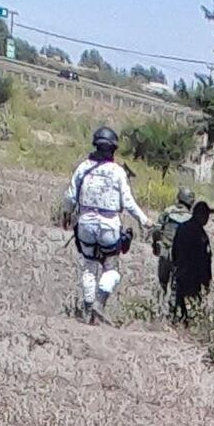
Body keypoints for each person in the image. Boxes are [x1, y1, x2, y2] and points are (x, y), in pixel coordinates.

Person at [63, 126, 151, 324]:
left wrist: (66, 215)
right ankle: (99, 304)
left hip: (85, 222)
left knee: (89, 266)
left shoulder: (83, 167)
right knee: (111, 267)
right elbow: (128, 203)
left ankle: (87, 313)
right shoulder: (118, 172)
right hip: (109, 224)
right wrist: (144, 221)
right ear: (113, 149)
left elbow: (69, 196)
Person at [151, 187, 195, 311]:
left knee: (162, 283)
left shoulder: (168, 212)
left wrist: (155, 245)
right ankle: (172, 313)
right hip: (181, 256)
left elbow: (156, 230)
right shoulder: (191, 217)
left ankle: (158, 309)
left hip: (165, 252)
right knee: (176, 286)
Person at [171, 201, 214, 324]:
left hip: (182, 272)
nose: (207, 218)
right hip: (194, 276)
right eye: (206, 215)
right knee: (192, 307)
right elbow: (204, 258)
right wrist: (206, 279)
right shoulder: (199, 233)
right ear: (200, 215)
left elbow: (174, 251)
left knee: (181, 305)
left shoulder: (182, 228)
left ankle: (179, 324)